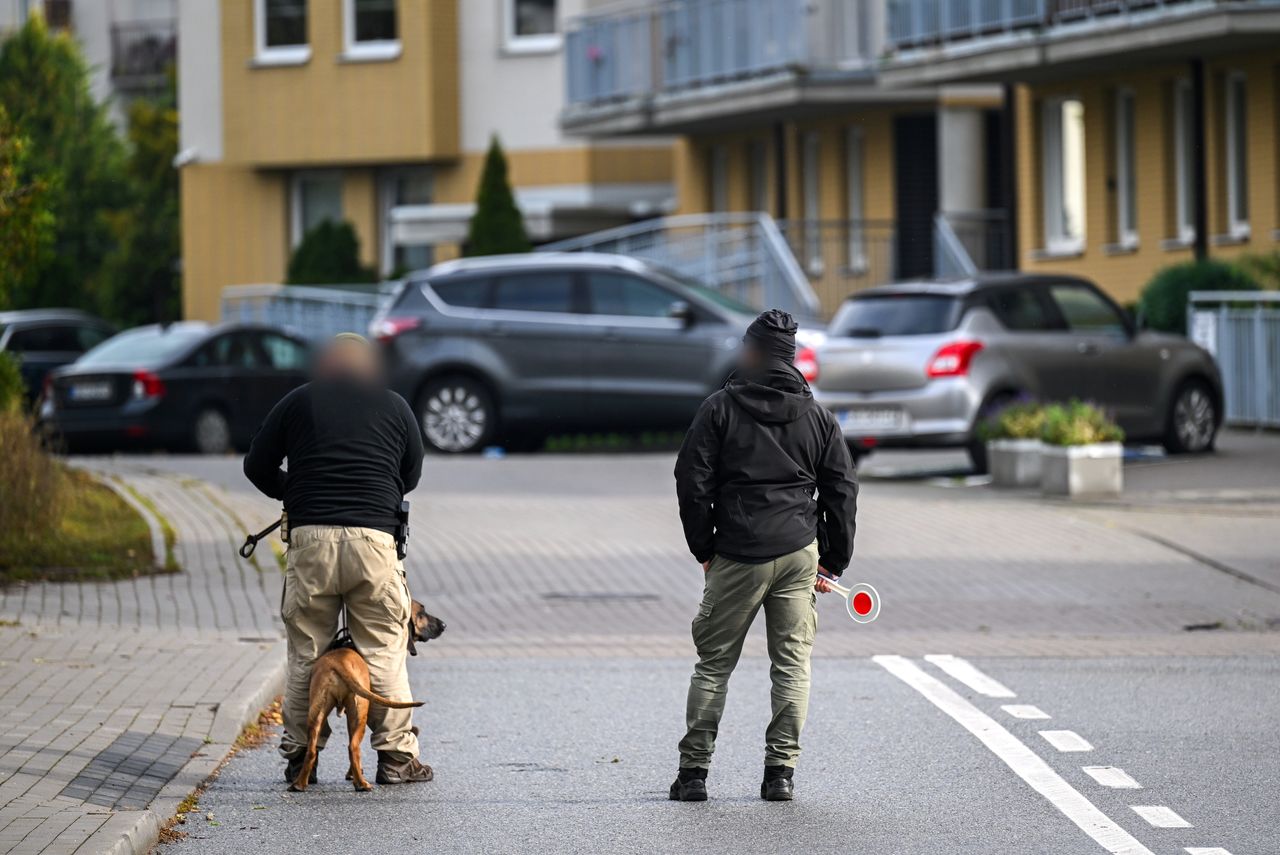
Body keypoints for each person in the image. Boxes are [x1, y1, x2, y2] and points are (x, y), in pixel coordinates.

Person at [670, 309, 859, 803]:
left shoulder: (719, 408)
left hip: (738, 552)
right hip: (798, 552)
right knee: (792, 667)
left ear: (753, 353)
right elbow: (842, 488)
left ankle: (693, 775)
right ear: (790, 359)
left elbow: (692, 480)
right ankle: (780, 775)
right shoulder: (818, 416)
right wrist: (833, 561)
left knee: (713, 666)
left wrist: (704, 548)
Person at [244, 332, 431, 786]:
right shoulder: (395, 406)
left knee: (307, 652)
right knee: (384, 651)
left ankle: (297, 755)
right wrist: (373, 494)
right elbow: (411, 473)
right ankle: (395, 759)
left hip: (310, 542)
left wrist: (295, 490)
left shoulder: (298, 402)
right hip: (375, 543)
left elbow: (256, 465)